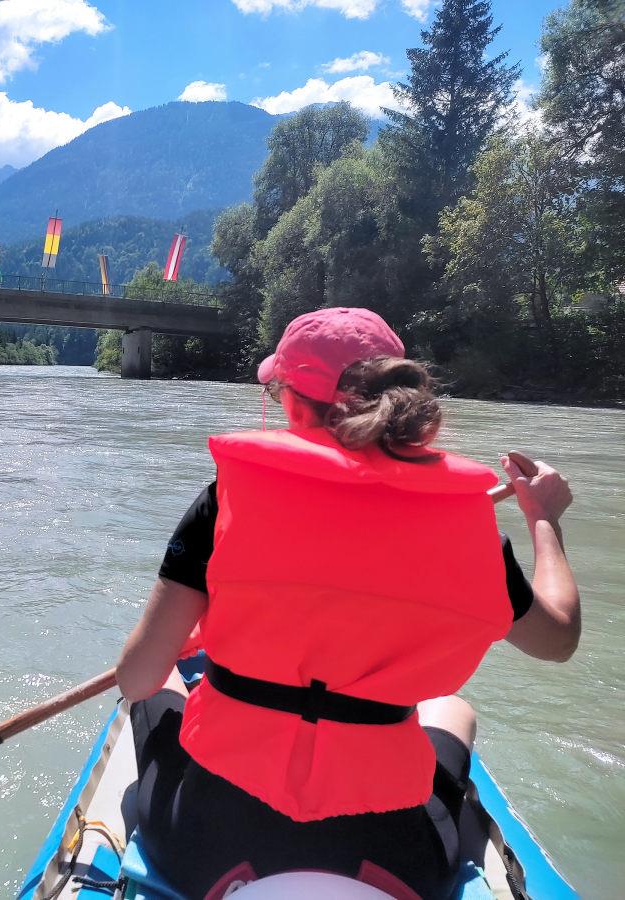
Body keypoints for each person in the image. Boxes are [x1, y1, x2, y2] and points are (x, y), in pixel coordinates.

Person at [115, 308, 580, 900]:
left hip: (212, 844)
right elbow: (557, 639)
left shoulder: (226, 500)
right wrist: (543, 520)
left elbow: (136, 678)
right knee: (451, 709)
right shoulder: (466, 525)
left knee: (156, 689)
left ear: (292, 404)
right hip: (393, 858)